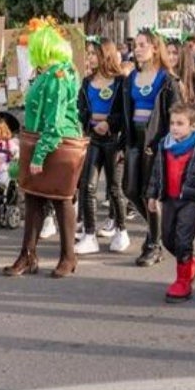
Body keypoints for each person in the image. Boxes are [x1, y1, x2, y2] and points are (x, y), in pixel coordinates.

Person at [4, 18, 83, 278]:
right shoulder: (48, 73)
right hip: (42, 141)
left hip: (57, 145)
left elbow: (55, 121)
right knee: (34, 197)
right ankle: (28, 256)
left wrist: (39, 154)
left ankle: (68, 257)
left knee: (61, 199)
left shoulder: (58, 75)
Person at [145, 103, 195, 302]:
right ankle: (192, 263)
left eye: (180, 123)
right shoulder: (164, 145)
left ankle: (183, 280)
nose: (175, 128)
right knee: (167, 239)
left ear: (192, 126)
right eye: (172, 123)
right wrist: (152, 195)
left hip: (189, 201)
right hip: (169, 199)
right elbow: (156, 173)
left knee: (183, 240)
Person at [122, 28, 182, 267]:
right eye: (136, 45)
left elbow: (175, 114)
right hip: (134, 140)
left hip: (156, 140)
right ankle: (159, 230)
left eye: (142, 44)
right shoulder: (130, 80)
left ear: (155, 48)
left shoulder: (166, 80)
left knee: (151, 194)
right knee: (130, 189)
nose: (137, 49)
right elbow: (125, 111)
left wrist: (169, 144)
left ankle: (154, 245)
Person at [75, 37, 130, 255]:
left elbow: (125, 112)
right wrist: (90, 123)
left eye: (92, 53)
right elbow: (81, 110)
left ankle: (122, 230)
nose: (89, 57)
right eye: (88, 53)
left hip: (114, 140)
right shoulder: (86, 82)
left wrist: (110, 123)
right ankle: (90, 235)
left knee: (115, 188)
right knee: (87, 186)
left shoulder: (120, 82)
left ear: (104, 54)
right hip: (93, 140)